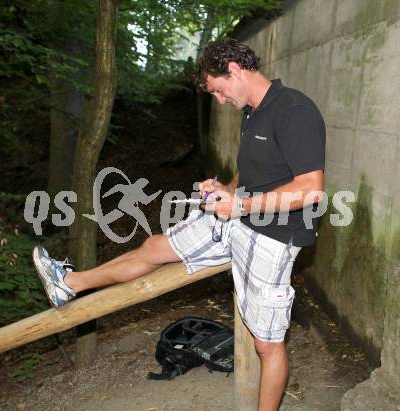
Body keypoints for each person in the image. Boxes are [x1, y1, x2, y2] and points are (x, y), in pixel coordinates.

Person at [33, 38, 325, 411]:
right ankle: (69, 283)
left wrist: (241, 205)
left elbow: (311, 190)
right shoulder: (254, 112)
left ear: (234, 69)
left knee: (267, 344)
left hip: (273, 235)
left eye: (218, 91)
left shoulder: (295, 111)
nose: (219, 100)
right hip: (235, 216)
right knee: (155, 246)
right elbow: (251, 172)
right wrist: (223, 189)